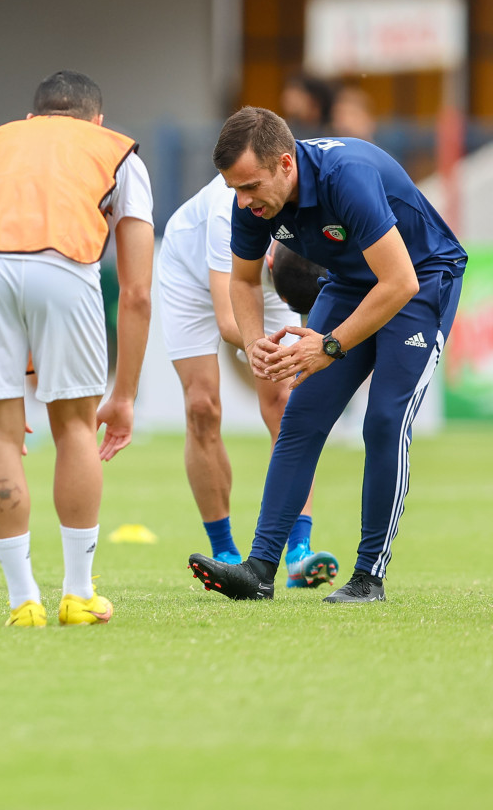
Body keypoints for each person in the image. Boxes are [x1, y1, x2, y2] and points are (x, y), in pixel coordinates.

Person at [189, 108, 466, 603]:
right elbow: (245, 280)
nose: (243, 201)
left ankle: (368, 577)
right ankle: (259, 569)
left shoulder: (347, 179)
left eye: (250, 186)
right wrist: (254, 343)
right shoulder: (250, 203)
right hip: (351, 284)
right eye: (234, 189)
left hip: (420, 281)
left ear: (286, 164)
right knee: (301, 418)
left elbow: (399, 281)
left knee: (384, 421)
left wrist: (332, 344)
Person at [0, 70, 154, 628]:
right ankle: (79, 595)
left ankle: (22, 603)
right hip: (65, 264)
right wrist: (125, 394)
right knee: (76, 429)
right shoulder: (117, 152)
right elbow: (134, 292)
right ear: (97, 121)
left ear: (31, 118)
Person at [157, 174, 339, 588]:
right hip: (190, 274)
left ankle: (298, 552)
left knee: (284, 403)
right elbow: (228, 321)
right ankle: (224, 550)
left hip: (267, 276)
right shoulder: (229, 214)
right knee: (202, 407)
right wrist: (263, 345)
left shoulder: (312, 220)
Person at [279, 72, 334, 137]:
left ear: (314, 100)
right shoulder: (283, 131)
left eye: (297, 94)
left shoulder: (331, 134)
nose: (287, 97)